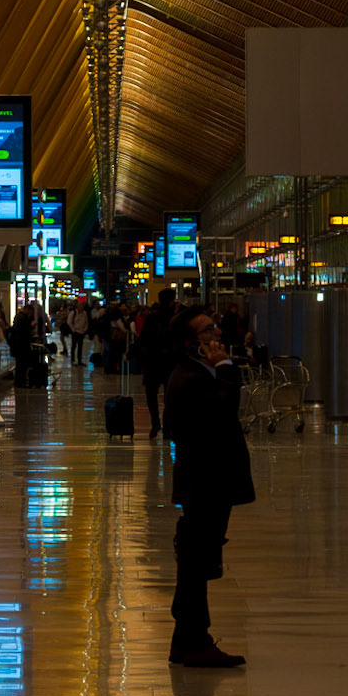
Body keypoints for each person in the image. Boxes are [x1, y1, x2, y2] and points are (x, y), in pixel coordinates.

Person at [163, 307, 255, 668]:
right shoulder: (190, 378)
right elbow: (225, 409)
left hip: (206, 481)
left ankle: (187, 640)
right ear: (192, 342)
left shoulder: (196, 373)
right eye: (208, 330)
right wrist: (227, 369)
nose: (217, 334)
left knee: (197, 560)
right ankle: (194, 640)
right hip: (205, 483)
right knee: (196, 562)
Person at [136, 286, 178, 439]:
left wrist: (134, 355)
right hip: (170, 363)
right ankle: (168, 429)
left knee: (151, 395)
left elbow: (143, 339)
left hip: (152, 362)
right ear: (172, 302)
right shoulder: (175, 319)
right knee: (169, 397)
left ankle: (155, 423)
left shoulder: (152, 317)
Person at [67, 297, 89, 365]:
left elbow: (86, 322)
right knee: (74, 346)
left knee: (80, 347)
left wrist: (85, 329)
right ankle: (73, 360)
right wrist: (73, 330)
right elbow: (69, 322)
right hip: (75, 332)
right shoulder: (73, 313)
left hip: (82, 332)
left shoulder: (84, 313)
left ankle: (79, 361)